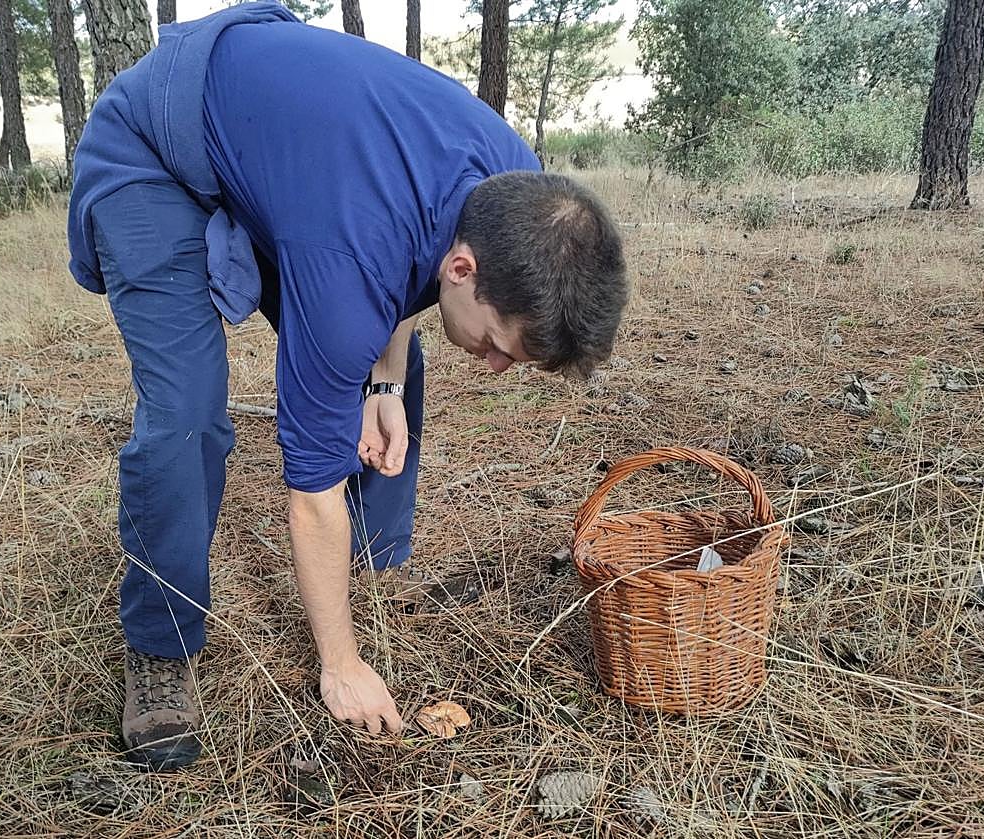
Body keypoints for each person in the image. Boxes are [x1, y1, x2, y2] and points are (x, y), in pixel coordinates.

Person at [67, 1, 627, 771]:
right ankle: (161, 649)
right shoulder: (349, 264)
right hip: (153, 149)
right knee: (187, 414)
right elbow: (310, 487)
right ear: (465, 268)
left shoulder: (515, 190)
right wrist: (340, 664)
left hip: (292, 164)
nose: (496, 368)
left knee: (400, 364)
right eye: (501, 348)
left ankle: (372, 563)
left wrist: (385, 386)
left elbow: (408, 270)